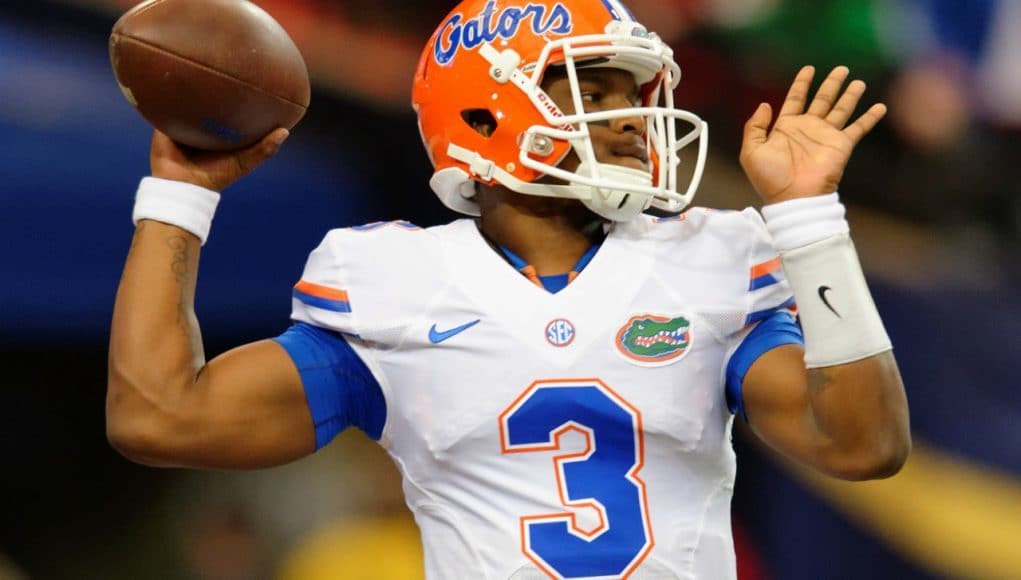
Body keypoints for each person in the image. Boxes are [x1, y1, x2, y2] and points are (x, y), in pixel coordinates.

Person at [106, 0, 911, 578]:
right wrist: (182, 194)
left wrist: (809, 222)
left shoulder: (707, 259)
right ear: (484, 119)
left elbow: (860, 444)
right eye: (593, 93)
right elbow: (160, 417)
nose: (630, 118)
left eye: (632, 94)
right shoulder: (393, 285)